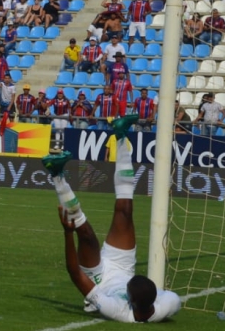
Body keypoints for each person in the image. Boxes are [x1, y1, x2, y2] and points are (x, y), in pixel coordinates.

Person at [43, 115, 181, 323]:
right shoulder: (169, 303)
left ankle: (57, 175)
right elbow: (164, 297)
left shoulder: (116, 310)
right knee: (125, 209)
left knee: (86, 233)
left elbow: (75, 273)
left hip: (100, 280)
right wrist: (129, 279)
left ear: (131, 301)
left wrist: (67, 232)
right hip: (123, 266)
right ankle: (120, 135)